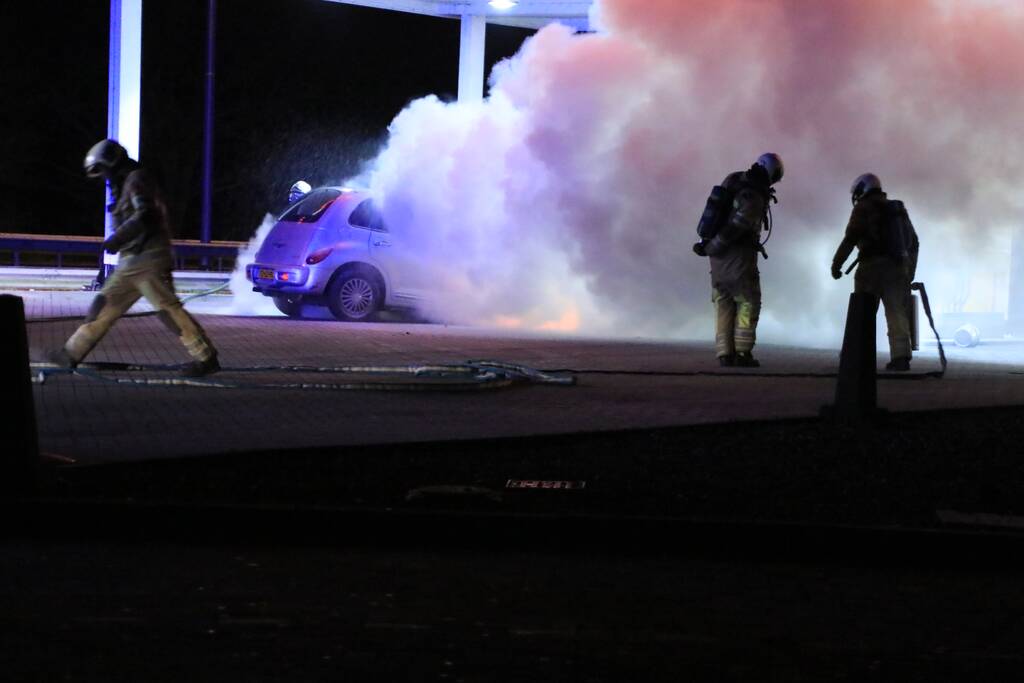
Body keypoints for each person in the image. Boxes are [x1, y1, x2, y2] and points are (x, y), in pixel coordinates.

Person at [48, 139, 220, 377]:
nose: (104, 179)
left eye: (103, 172)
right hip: (132, 261)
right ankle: (70, 354)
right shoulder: (128, 182)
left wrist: (117, 239)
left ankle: (205, 357)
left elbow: (145, 214)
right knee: (104, 305)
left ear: (112, 163)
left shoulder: (137, 179)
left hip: (149, 258)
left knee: (168, 310)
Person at [695, 153, 784, 367]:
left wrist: (708, 247)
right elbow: (736, 227)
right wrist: (715, 246)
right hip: (738, 256)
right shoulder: (754, 197)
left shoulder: (733, 179)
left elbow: (715, 212)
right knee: (747, 301)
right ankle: (743, 353)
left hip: (716, 258)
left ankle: (724, 353)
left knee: (723, 301)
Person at [831, 173, 919, 371]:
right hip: (897, 269)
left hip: (870, 269)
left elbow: (850, 239)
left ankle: (856, 355)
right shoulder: (896, 210)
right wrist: (909, 271)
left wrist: (836, 264)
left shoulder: (864, 208)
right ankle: (901, 357)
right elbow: (914, 241)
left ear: (864, 188)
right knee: (897, 313)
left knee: (863, 313)